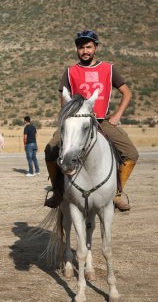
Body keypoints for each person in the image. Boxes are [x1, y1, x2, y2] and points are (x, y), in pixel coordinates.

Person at [44, 30, 139, 211]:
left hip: (102, 121)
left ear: (95, 48)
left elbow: (127, 93)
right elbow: (64, 102)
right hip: (77, 122)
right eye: (81, 47)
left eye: (88, 47)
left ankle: (117, 194)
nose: (85, 51)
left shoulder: (109, 69)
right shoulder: (70, 72)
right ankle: (57, 191)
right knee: (50, 150)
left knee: (131, 153)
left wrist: (117, 115)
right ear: (77, 49)